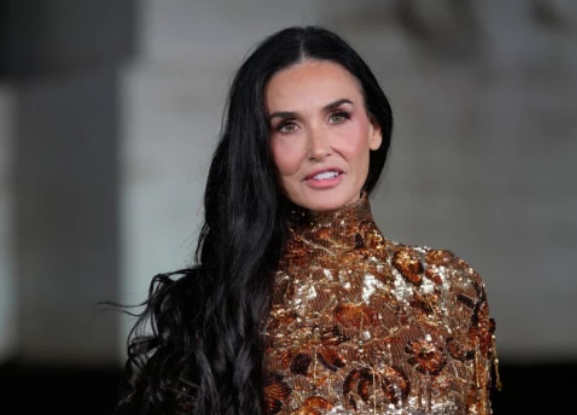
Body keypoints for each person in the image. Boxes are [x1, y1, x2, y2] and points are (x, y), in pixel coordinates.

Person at [116, 26, 501, 415]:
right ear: (260, 148)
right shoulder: (218, 308)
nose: (318, 149)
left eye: (338, 116)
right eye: (288, 126)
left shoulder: (450, 287)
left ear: (375, 128)